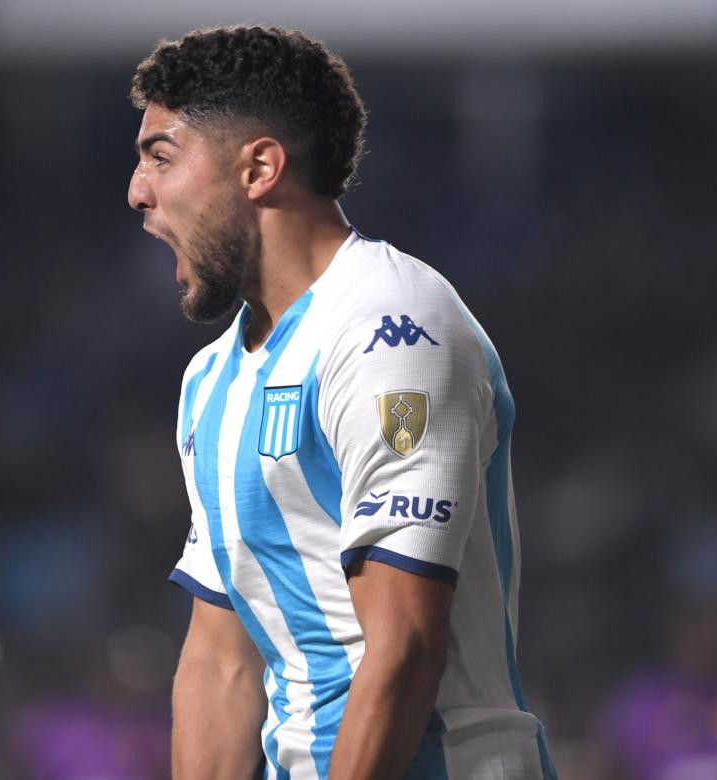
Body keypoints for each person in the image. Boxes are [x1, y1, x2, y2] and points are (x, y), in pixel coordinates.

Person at [127, 26, 556, 779]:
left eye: (160, 156)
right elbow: (222, 663)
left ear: (259, 167)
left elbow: (403, 647)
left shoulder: (392, 328)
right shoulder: (211, 378)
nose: (138, 190)